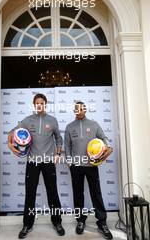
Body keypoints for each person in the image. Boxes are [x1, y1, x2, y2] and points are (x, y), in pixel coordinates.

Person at [8, 93, 65, 239]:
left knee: (53, 193)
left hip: (48, 162)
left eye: (42, 103)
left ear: (45, 104)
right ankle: (27, 224)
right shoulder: (27, 121)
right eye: (37, 103)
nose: (39, 105)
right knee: (30, 193)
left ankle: (57, 222)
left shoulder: (52, 121)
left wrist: (58, 154)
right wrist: (10, 144)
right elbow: (12, 132)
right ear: (34, 105)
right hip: (32, 161)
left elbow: (59, 140)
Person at [64, 101, 113, 239]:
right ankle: (80, 221)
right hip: (76, 167)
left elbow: (103, 138)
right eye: (76, 109)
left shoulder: (94, 125)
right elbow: (67, 146)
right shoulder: (69, 127)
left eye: (81, 109)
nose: (78, 111)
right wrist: (69, 161)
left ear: (85, 110)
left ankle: (102, 222)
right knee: (78, 194)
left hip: (92, 165)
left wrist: (108, 146)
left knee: (96, 193)